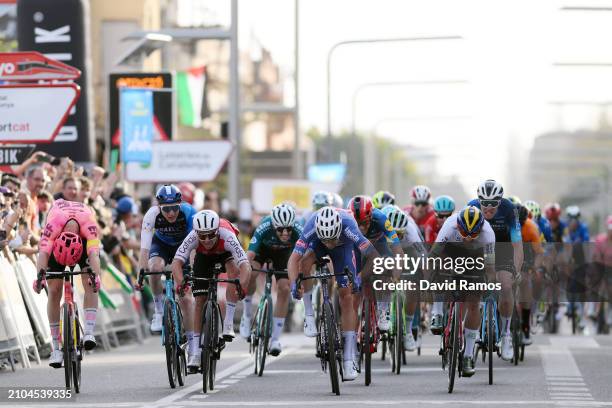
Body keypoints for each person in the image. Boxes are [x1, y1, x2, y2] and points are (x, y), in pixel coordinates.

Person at [288, 207, 380, 381]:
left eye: (332, 238)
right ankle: (309, 314)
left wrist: (360, 277)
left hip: (344, 248)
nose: (330, 243)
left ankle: (348, 358)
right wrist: (294, 284)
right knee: (305, 261)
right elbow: (294, 259)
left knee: (347, 297)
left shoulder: (349, 227)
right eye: (326, 239)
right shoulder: (312, 226)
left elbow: (374, 257)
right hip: (317, 245)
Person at [171, 210, 250, 372]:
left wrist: (242, 286)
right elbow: (176, 263)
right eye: (202, 236)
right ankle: (195, 352)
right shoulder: (193, 236)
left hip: (225, 253)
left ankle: (228, 324)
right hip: (204, 257)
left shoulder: (226, 234)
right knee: (200, 301)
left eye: (210, 235)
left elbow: (245, 265)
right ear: (197, 233)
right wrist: (180, 284)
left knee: (233, 272)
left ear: (217, 231)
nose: (206, 239)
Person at [32, 199, 102, 368]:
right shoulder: (53, 225)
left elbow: (94, 255)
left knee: (90, 282)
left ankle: (90, 332)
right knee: (54, 290)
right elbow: (42, 253)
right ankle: (55, 347)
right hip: (56, 246)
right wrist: (39, 277)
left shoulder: (89, 227)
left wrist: (96, 276)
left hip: (82, 243)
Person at [428, 205, 496, 376]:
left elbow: (489, 268)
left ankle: (468, 355)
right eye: (465, 233)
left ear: (480, 229)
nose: (468, 238)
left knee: (474, 302)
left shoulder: (488, 235)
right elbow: (433, 256)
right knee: (440, 272)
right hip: (452, 251)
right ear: (458, 227)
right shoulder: (449, 227)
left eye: (473, 234)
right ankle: (439, 313)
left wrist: (488, 286)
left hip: (476, 256)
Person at [467, 179, 523, 361]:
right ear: (479, 200)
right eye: (485, 203)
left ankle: (506, 335)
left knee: (506, 287)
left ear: (500, 201)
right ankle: (473, 326)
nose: (488, 208)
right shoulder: (472, 208)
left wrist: (516, 270)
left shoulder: (509, 209)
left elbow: (517, 245)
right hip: (480, 249)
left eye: (493, 204)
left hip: (503, 248)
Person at [136, 185, 197, 343]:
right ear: (158, 206)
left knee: (185, 297)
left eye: (174, 208)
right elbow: (144, 248)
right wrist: (140, 273)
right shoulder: (152, 214)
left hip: (183, 246)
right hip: (161, 245)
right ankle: (158, 311)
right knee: (154, 268)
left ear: (180, 205)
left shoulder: (189, 212)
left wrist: (192, 271)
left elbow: (194, 247)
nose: (170, 213)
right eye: (166, 209)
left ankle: (192, 341)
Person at [240, 204, 303, 356]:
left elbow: (303, 257)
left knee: (284, 288)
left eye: (289, 229)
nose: (286, 233)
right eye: (281, 229)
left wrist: (299, 281)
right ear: (274, 225)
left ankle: (275, 338)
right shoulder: (264, 226)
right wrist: (243, 274)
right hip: (262, 250)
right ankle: (246, 315)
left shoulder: (298, 230)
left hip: (283, 254)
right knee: (252, 273)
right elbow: (249, 256)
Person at [565, 205, 590, 329]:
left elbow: (586, 244)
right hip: (568, 259)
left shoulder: (583, 227)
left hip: (580, 259)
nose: (573, 220)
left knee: (582, 286)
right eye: (571, 217)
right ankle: (568, 305)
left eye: (576, 217)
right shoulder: (565, 227)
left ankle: (581, 314)